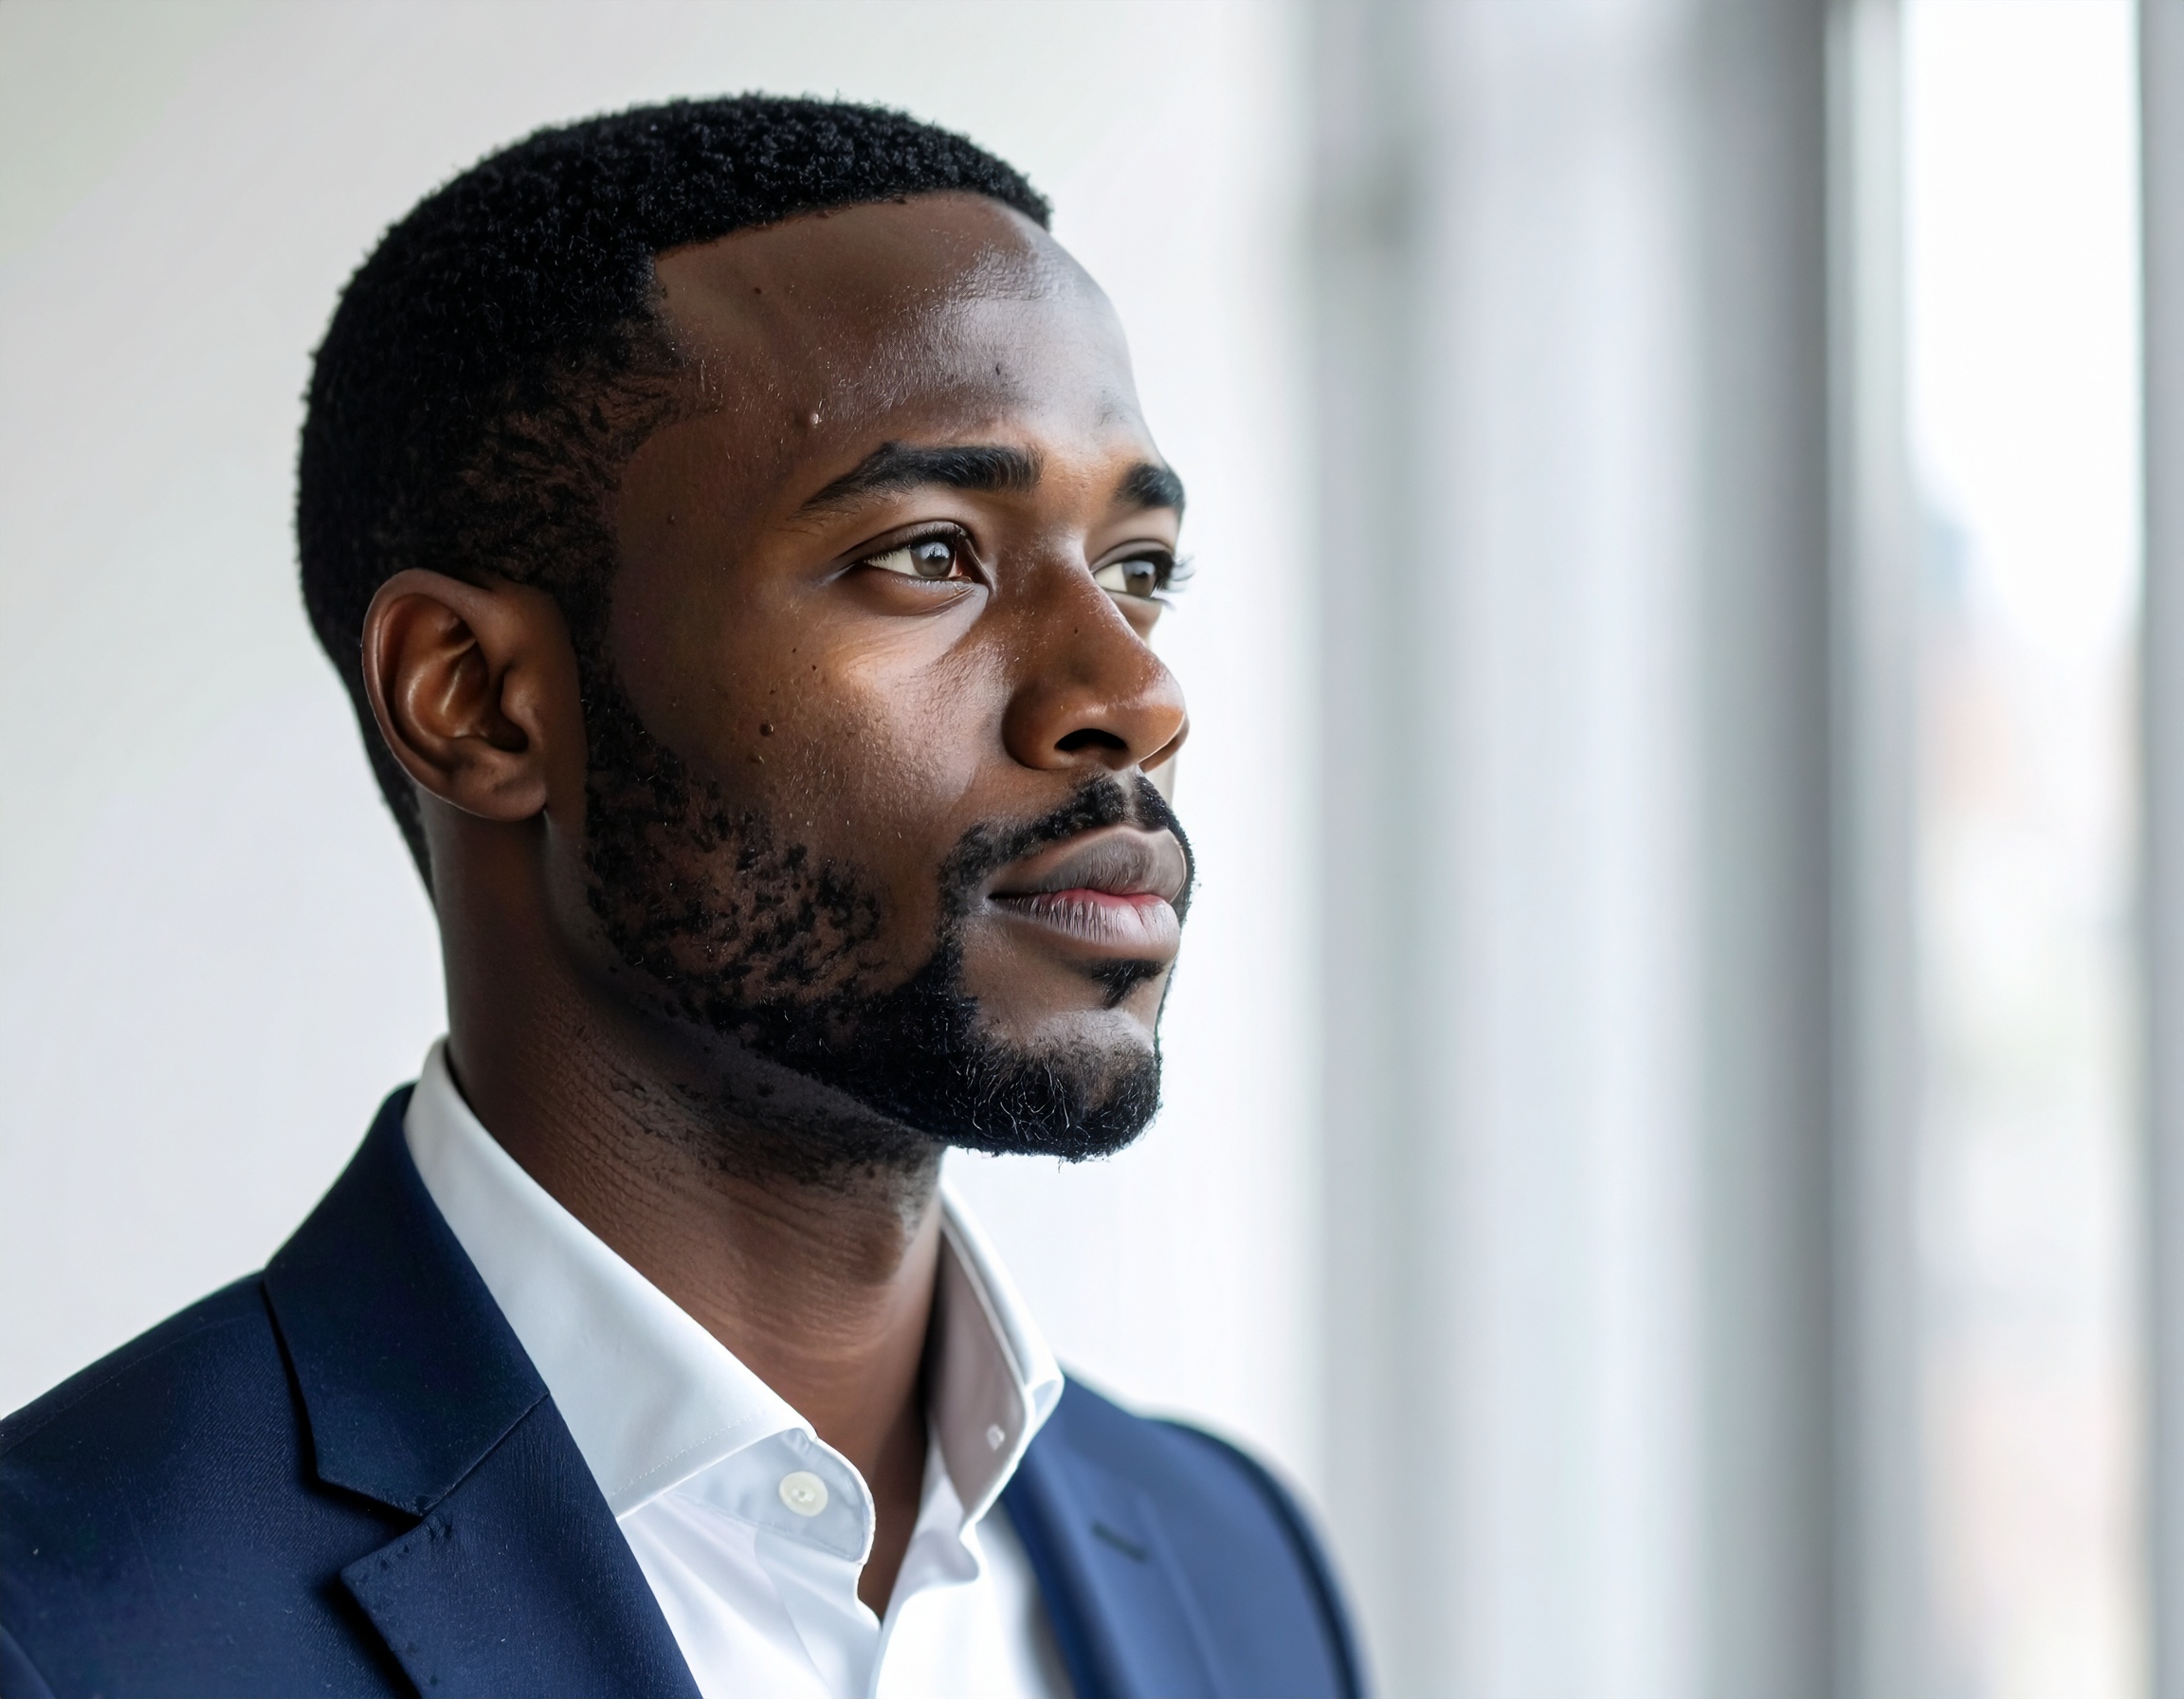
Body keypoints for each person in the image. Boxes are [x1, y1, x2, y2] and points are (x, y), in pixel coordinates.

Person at [0, 97, 1360, 1699]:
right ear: (480, 702)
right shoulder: (68, 1627)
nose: (1134, 691)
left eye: (1138, 568)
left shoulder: (1233, 1562)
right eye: (930, 552)